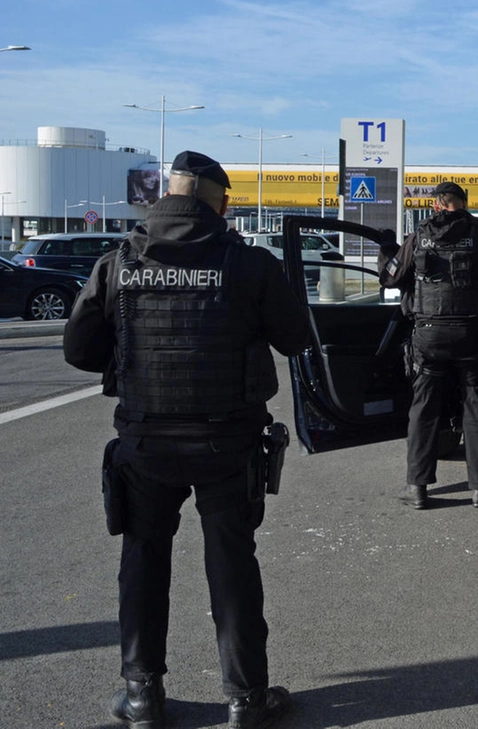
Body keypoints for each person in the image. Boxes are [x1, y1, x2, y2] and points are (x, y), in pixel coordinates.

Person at [64, 150, 310, 728]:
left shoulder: (120, 260)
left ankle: (142, 695)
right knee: (232, 565)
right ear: (217, 202)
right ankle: (246, 699)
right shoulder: (247, 264)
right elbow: (296, 339)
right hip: (228, 443)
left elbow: (79, 350)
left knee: (143, 561)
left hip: (145, 442)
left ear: (166, 197)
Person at [378, 181, 478, 510]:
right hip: (471, 334)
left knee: (424, 409)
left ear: (437, 205)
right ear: (464, 204)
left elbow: (390, 278)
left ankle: (418, 488)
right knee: (476, 407)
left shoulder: (420, 236)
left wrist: (386, 250)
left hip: (429, 335)